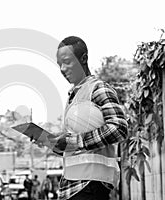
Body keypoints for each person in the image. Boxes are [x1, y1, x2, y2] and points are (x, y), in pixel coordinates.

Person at [35, 36, 128, 200]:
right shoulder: (73, 98)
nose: (62, 69)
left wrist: (74, 141)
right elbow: (73, 149)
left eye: (67, 62)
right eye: (59, 64)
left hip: (91, 186)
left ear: (83, 58)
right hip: (73, 187)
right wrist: (51, 142)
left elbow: (119, 128)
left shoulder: (99, 89)